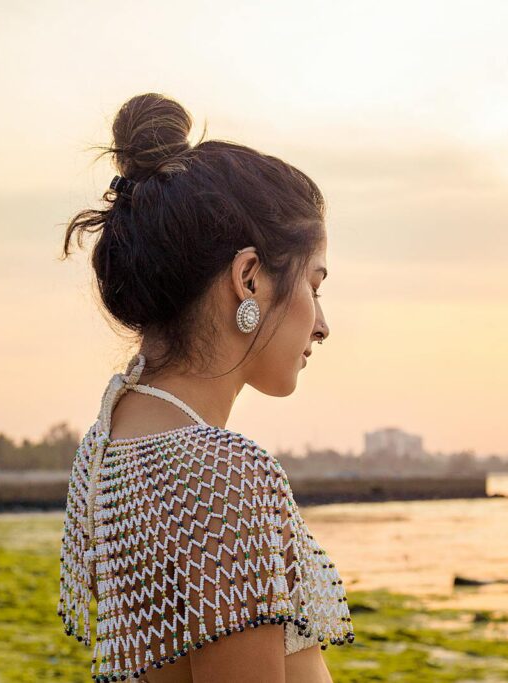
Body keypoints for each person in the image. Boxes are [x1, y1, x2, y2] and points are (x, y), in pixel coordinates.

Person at [57, 92, 354, 682]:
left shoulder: (110, 438)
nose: (322, 324)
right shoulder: (221, 476)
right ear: (249, 278)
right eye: (314, 285)